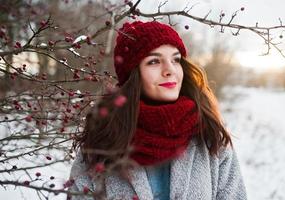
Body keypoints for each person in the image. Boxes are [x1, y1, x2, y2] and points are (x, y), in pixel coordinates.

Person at [68, 20, 247, 200]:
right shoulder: (102, 142)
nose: (170, 70)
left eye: (176, 60)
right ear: (133, 74)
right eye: (154, 61)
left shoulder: (209, 136)